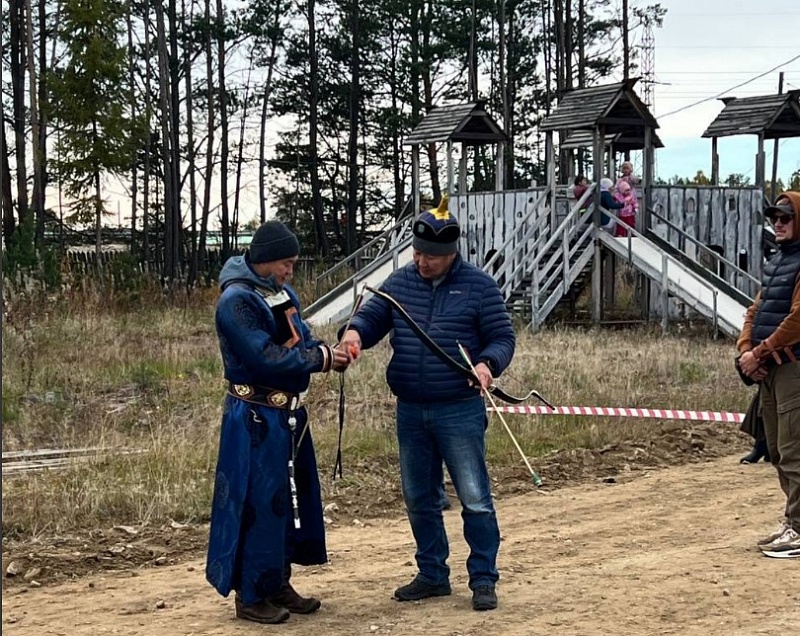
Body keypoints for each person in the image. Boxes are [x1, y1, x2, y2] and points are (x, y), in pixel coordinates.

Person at [340, 207, 516, 611]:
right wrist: (352, 335)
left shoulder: (480, 287)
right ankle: (433, 574)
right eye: (417, 253)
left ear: (451, 252)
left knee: (474, 498)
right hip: (411, 409)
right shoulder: (400, 282)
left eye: (430, 256)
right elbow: (370, 317)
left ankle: (483, 578)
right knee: (420, 497)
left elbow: (503, 337)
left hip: (459, 410)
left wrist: (487, 364)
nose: (420, 261)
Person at [206, 220, 352, 623]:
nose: (291, 271)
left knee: (288, 501)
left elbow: (299, 338)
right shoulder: (236, 301)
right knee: (257, 501)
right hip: (254, 415)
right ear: (267, 259)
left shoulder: (281, 293)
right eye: (286, 263)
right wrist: (320, 360)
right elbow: (261, 356)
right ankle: (250, 595)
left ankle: (276, 581)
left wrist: (326, 351)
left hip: (286, 413)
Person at [736, 191, 800, 559]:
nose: (778, 222)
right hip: (771, 369)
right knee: (776, 449)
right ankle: (794, 521)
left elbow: (798, 320)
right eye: (774, 217)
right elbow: (755, 310)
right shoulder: (777, 262)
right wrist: (747, 351)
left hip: (794, 367)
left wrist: (759, 352)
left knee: (794, 450)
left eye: (786, 217)